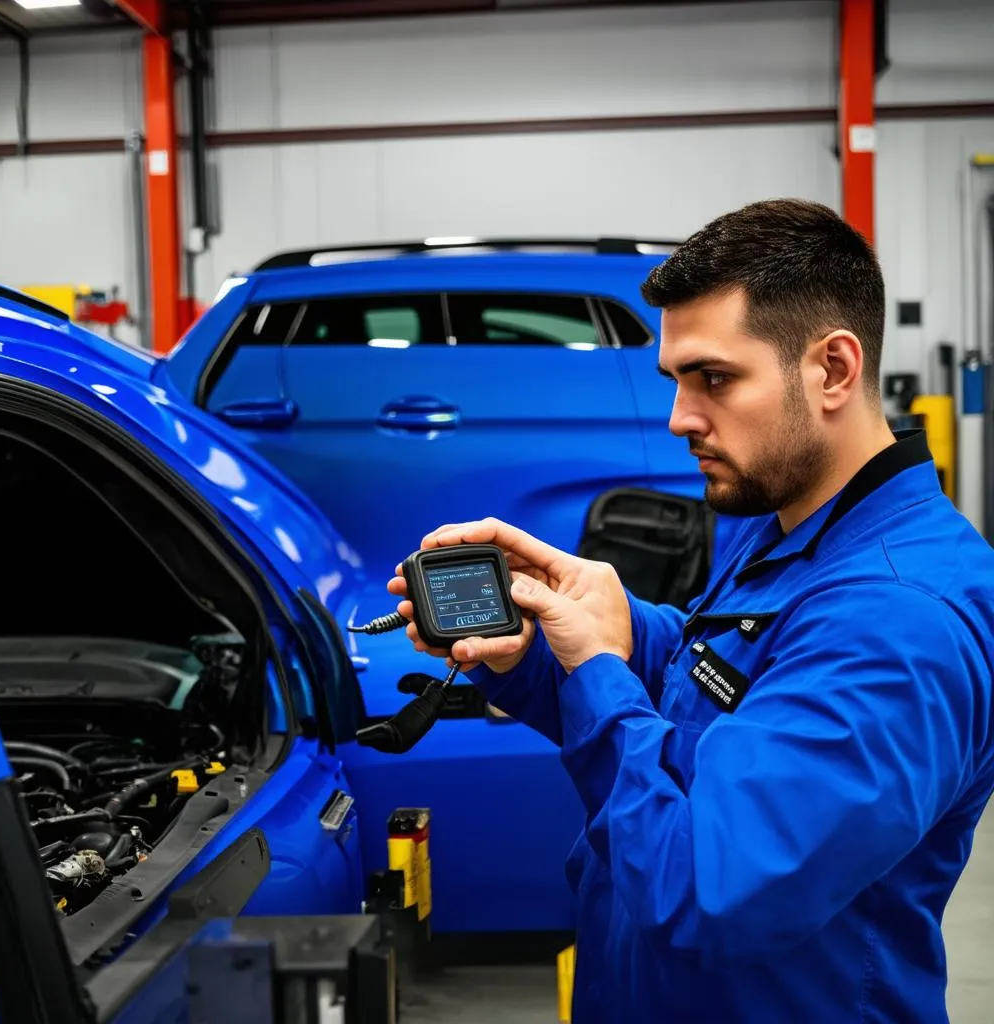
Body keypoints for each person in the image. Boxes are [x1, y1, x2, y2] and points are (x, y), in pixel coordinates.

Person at [387, 198, 994, 1023]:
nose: (680, 418)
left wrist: (598, 670)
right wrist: (568, 641)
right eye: (677, 381)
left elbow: (707, 890)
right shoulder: (788, 518)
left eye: (714, 378)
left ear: (834, 370)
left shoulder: (899, 623)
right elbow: (729, 684)